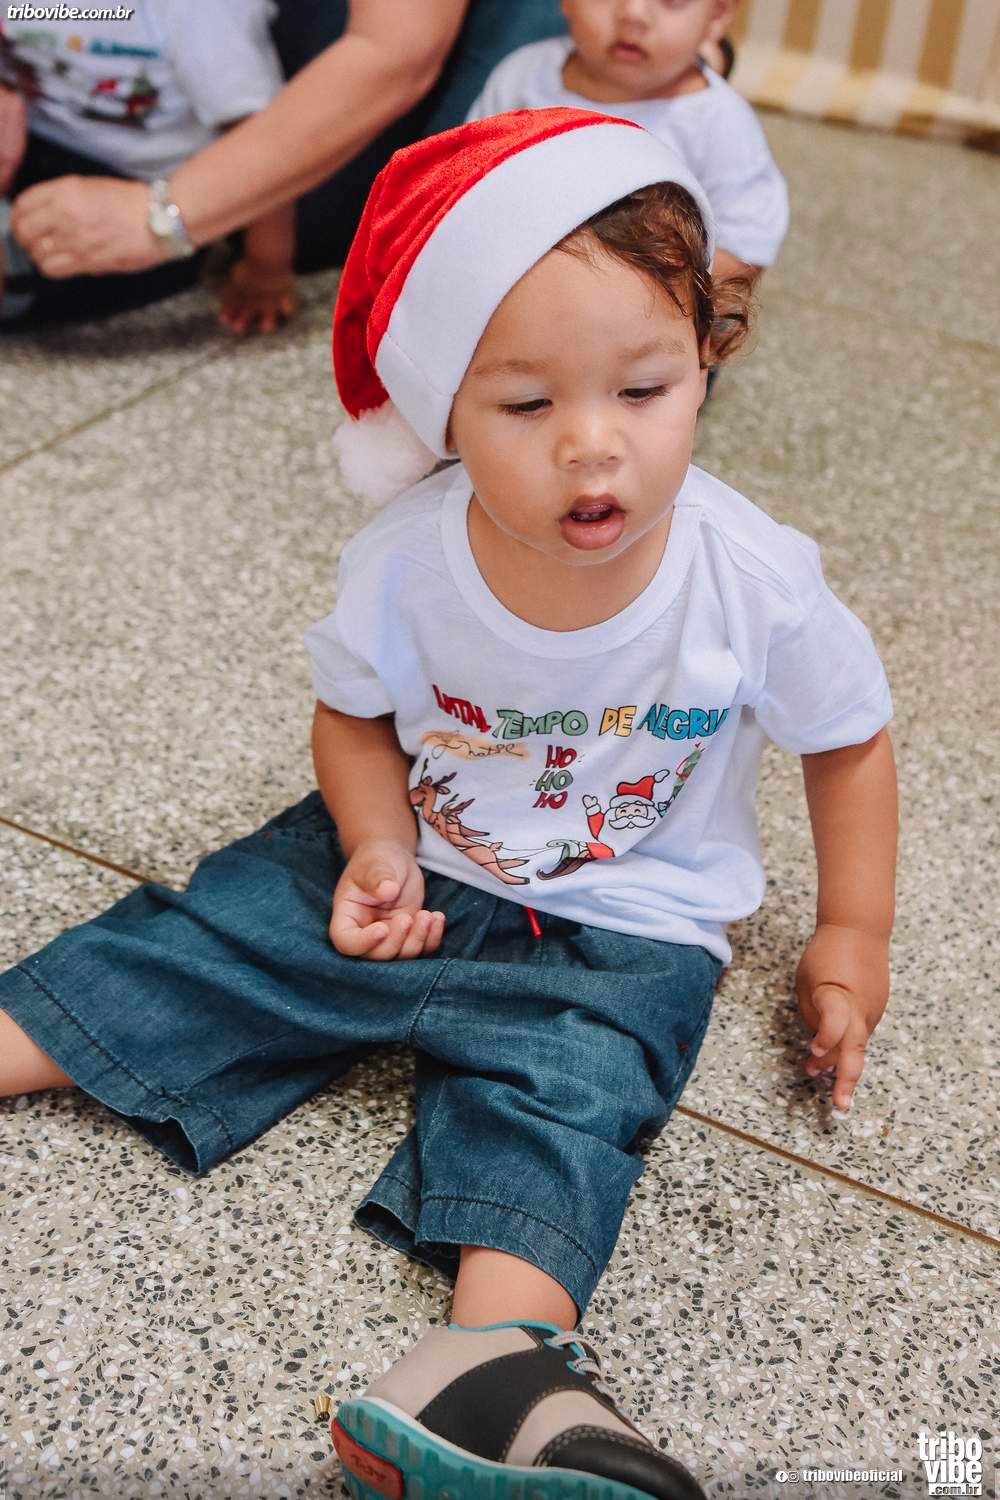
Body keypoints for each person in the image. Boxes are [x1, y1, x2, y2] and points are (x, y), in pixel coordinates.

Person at [0, 112, 897, 1498]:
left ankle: (492, 1369)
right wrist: (372, 839)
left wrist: (853, 930)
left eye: (644, 390)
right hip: (407, 856)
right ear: (442, 414)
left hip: (622, 923)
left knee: (576, 1098)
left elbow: (848, 736)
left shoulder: (752, 574)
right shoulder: (407, 557)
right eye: (526, 407)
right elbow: (353, 713)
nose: (592, 447)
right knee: (212, 938)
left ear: (706, 359)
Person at [5, 0, 569, 306]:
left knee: (347, 224)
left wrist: (261, 264)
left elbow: (396, 51)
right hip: (65, 141)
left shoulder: (196, 16)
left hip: (155, 178)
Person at [0, 2, 295, 329]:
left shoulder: (200, 11)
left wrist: (266, 267)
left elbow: (262, 139)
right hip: (35, 138)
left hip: (152, 200)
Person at [466, 0, 788, 284]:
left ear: (716, 15)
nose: (633, 13)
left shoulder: (718, 122)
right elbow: (466, 180)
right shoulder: (522, 78)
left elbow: (745, 244)